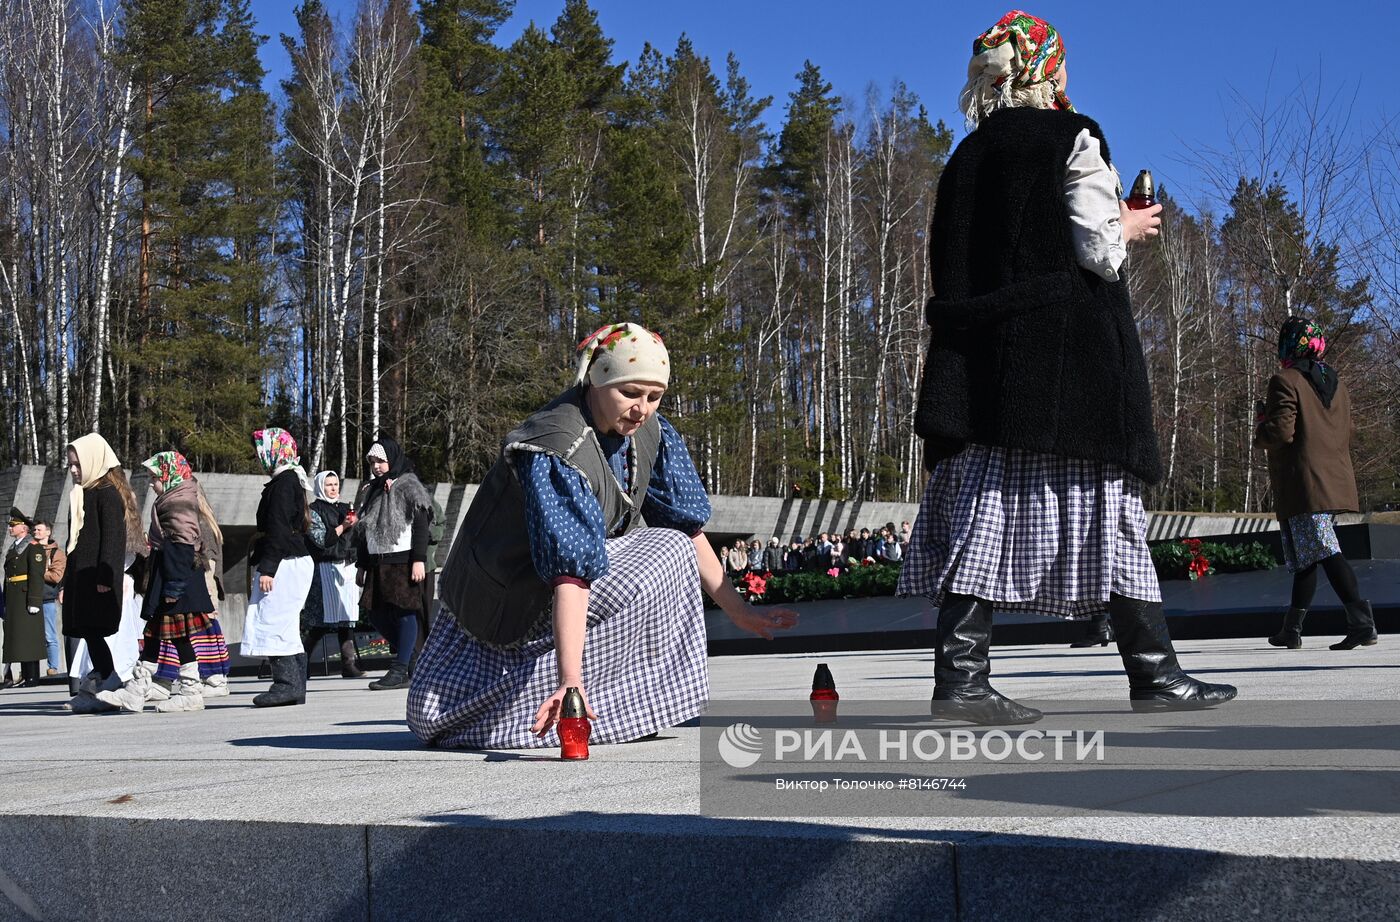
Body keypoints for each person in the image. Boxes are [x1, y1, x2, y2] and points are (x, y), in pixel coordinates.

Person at [897, 11, 1235, 724]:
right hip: (1065, 364)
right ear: (1048, 67)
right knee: (1109, 513)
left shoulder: (969, 154)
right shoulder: (1070, 136)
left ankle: (961, 678)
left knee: (984, 512)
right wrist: (1131, 223)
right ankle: (1154, 674)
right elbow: (1099, 252)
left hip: (985, 364)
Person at [408, 321, 798, 749]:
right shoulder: (556, 446)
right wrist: (569, 681)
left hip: (559, 587)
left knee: (670, 549)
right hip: (507, 593)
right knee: (662, 550)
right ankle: (531, 704)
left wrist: (737, 610)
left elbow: (687, 529)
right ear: (595, 378)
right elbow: (571, 575)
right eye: (629, 393)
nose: (642, 409)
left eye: (654, 396)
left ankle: (629, 706)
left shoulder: (653, 433)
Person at [1255, 317, 1373, 650]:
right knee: (1308, 554)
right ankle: (1291, 630)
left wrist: (1261, 427)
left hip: (1304, 481)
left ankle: (1362, 623)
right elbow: (1346, 431)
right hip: (1332, 477)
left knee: (1325, 550)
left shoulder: (1285, 380)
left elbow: (1281, 432)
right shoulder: (1336, 382)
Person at [97, 452, 215, 713]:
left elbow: (182, 545)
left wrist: (173, 585)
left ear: (169, 476)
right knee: (154, 634)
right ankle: (138, 690)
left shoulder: (176, 502)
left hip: (177, 578)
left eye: (154, 477)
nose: (151, 482)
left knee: (179, 636)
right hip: (170, 576)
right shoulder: (173, 498)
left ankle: (190, 691)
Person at [63, 433, 146, 713]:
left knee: (93, 629)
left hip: (96, 577)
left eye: (77, 464)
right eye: (71, 465)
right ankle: (103, 681)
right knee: (87, 630)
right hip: (81, 576)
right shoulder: (82, 493)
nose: (74, 470)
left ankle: (108, 679)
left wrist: (105, 577)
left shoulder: (107, 494)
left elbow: (113, 539)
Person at [244, 428, 315, 707]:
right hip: (292, 559)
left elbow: (278, 528)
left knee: (274, 619)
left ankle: (286, 684)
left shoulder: (284, 482)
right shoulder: (290, 480)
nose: (258, 455)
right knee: (285, 622)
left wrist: (268, 568)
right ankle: (295, 685)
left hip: (285, 562)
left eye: (261, 449)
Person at [355, 439, 432, 691]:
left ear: (392, 459)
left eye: (381, 461)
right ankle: (410, 660)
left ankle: (399, 669)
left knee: (404, 612)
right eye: (372, 462)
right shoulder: (372, 489)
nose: (376, 466)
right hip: (379, 561)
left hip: (402, 559)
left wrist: (418, 559)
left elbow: (421, 524)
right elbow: (365, 530)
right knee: (375, 613)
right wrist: (362, 565)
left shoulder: (408, 484)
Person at [303, 471, 364, 678]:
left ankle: (348, 664)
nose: (333, 488)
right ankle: (302, 664)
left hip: (347, 565)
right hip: (324, 567)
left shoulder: (346, 509)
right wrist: (344, 526)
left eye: (336, 484)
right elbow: (321, 540)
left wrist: (356, 525)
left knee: (346, 618)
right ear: (321, 486)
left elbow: (356, 538)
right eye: (328, 484)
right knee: (321, 621)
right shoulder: (313, 511)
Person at [2, 509, 48, 688]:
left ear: (23, 528)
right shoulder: (15, 547)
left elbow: (36, 575)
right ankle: (25, 676)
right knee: (19, 638)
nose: (10, 529)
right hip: (15, 597)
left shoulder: (33, 547)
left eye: (13, 525)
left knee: (30, 638)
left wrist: (34, 600)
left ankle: (32, 677)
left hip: (26, 595)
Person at [33, 521, 65, 675]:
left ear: (48, 532)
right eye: (34, 529)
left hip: (46, 598)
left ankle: (53, 667)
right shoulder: (30, 549)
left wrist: (38, 570)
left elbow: (56, 576)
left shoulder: (56, 553)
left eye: (39, 529)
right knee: (30, 635)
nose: (36, 532)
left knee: (49, 635)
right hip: (29, 598)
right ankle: (30, 670)